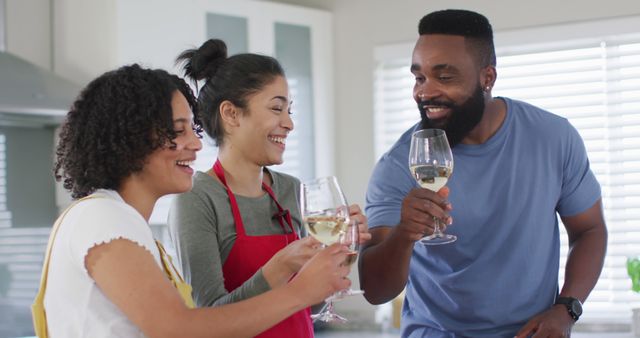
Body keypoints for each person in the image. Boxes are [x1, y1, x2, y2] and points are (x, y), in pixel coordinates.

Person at [40, 64, 352, 338]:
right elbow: (178, 329)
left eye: (193, 128)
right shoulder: (103, 216)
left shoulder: (121, 220)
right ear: (131, 140)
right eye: (179, 131)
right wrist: (298, 292)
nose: (197, 142)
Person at [359, 9, 607, 338]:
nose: (425, 92)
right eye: (419, 77)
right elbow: (375, 291)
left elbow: (589, 230)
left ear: (487, 77)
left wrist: (568, 307)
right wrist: (405, 234)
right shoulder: (399, 163)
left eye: (444, 77)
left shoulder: (553, 137)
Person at [168, 39, 370, 338]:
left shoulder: (291, 190)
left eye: (290, 110)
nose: (289, 124)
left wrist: (340, 252)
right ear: (231, 114)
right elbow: (209, 321)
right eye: (277, 108)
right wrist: (281, 266)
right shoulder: (198, 198)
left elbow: (308, 306)